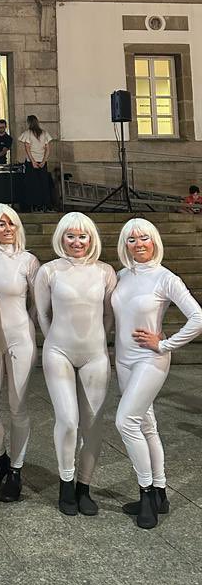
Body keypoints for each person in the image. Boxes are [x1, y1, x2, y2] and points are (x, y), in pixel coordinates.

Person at [113, 218, 202, 529]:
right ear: (124, 244)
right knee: (146, 423)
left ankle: (147, 492)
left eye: (145, 238)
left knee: (126, 421)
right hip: (122, 359)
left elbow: (198, 317)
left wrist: (165, 344)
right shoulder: (121, 275)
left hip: (150, 360)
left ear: (155, 242)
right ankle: (161, 491)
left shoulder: (166, 278)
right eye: (132, 239)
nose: (139, 244)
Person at [35, 212, 116, 517]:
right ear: (61, 238)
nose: (77, 242)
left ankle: (84, 486)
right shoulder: (49, 271)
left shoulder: (105, 272)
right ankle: (65, 482)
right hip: (58, 352)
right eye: (71, 235)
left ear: (92, 238)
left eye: (83, 236)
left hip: (95, 354)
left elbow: (109, 314)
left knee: (92, 425)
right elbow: (42, 314)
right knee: (68, 420)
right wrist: (53, 340)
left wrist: (99, 342)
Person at [0, 203, 39, 503]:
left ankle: (15, 470)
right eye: (1, 223)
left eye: (11, 223)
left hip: (20, 339)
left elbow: (41, 304)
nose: (7, 228)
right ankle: (0, 458)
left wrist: (36, 330)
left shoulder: (29, 261)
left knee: (18, 407)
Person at [18, 114, 53, 210]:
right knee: (43, 184)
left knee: (32, 184)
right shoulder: (45, 133)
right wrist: (43, 161)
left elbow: (27, 149)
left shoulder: (28, 133)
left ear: (29, 123)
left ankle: (33, 204)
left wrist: (33, 161)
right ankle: (44, 204)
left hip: (31, 162)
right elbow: (48, 149)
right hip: (42, 161)